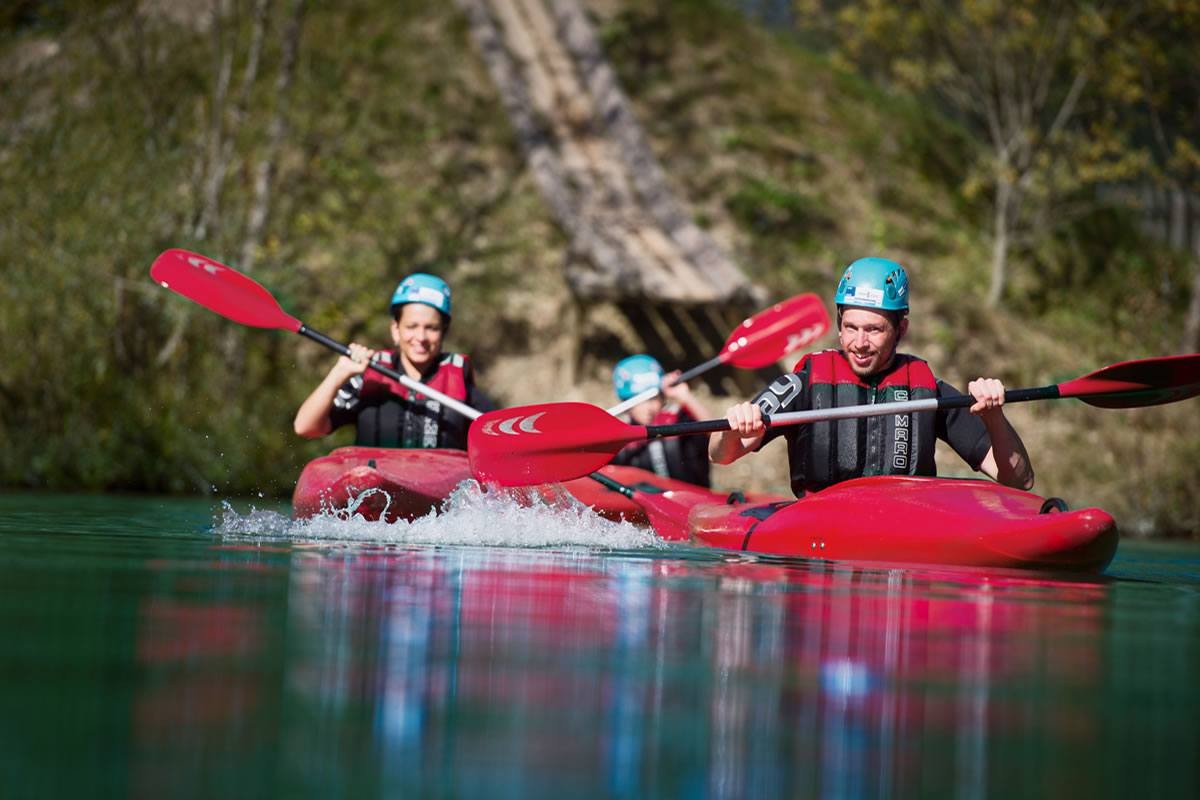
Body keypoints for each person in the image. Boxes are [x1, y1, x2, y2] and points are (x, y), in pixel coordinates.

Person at [709, 257, 1034, 496]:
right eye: (850, 328)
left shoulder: (927, 390)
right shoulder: (806, 384)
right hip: (822, 533)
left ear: (901, 328)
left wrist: (994, 418)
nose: (860, 343)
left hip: (902, 535)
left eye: (874, 330)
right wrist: (733, 429)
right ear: (839, 325)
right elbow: (721, 454)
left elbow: (1019, 480)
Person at [293, 273, 491, 449]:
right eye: (412, 326)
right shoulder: (368, 379)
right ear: (396, 330)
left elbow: (497, 434)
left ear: (443, 332)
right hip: (374, 489)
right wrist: (339, 373)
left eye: (431, 328)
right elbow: (306, 427)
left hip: (440, 490)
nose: (421, 337)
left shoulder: (459, 384)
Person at [610, 354, 713, 487]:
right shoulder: (619, 441)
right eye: (640, 400)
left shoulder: (680, 423)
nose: (649, 408)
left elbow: (717, 435)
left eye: (653, 399)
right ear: (626, 403)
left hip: (694, 504)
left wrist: (686, 397)